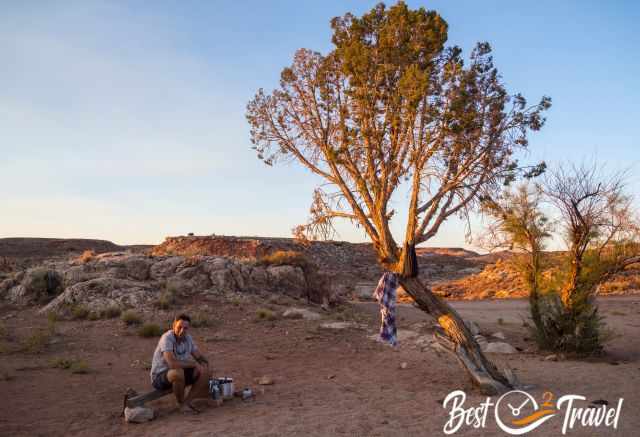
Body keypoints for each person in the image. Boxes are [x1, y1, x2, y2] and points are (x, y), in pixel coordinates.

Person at [150, 313, 212, 413]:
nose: (182, 331)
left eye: (185, 328)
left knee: (206, 372)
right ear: (174, 325)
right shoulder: (167, 338)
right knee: (177, 372)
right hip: (160, 377)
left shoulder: (188, 339)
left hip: (180, 374)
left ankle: (186, 402)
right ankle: (181, 403)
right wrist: (194, 364)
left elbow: (199, 357)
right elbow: (172, 364)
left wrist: (205, 365)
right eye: (179, 327)